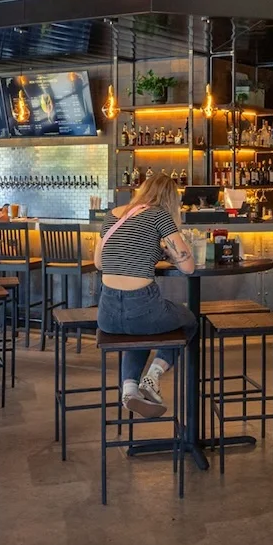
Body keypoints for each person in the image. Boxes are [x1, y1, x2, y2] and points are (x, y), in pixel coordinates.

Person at [95, 172, 197, 417]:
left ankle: (129, 389)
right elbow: (188, 267)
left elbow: (99, 262)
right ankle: (153, 376)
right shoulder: (159, 215)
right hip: (143, 309)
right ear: (170, 199)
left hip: (106, 314)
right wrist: (169, 253)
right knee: (190, 320)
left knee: (137, 331)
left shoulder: (113, 215)